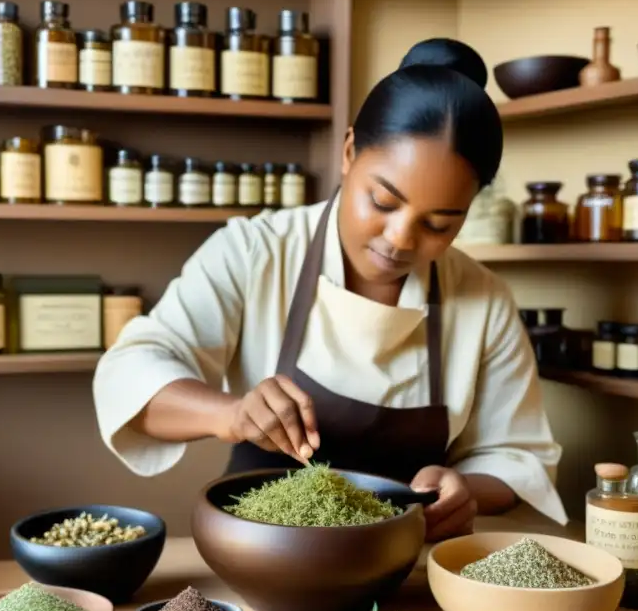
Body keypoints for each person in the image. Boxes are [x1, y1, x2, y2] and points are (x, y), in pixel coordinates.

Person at [93, 38, 567, 541]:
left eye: (440, 224)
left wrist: (464, 488)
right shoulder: (256, 251)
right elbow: (131, 371)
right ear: (348, 153)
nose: (401, 239)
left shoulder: (483, 298)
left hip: (402, 559)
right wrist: (231, 413)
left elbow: (519, 458)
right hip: (260, 545)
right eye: (383, 201)